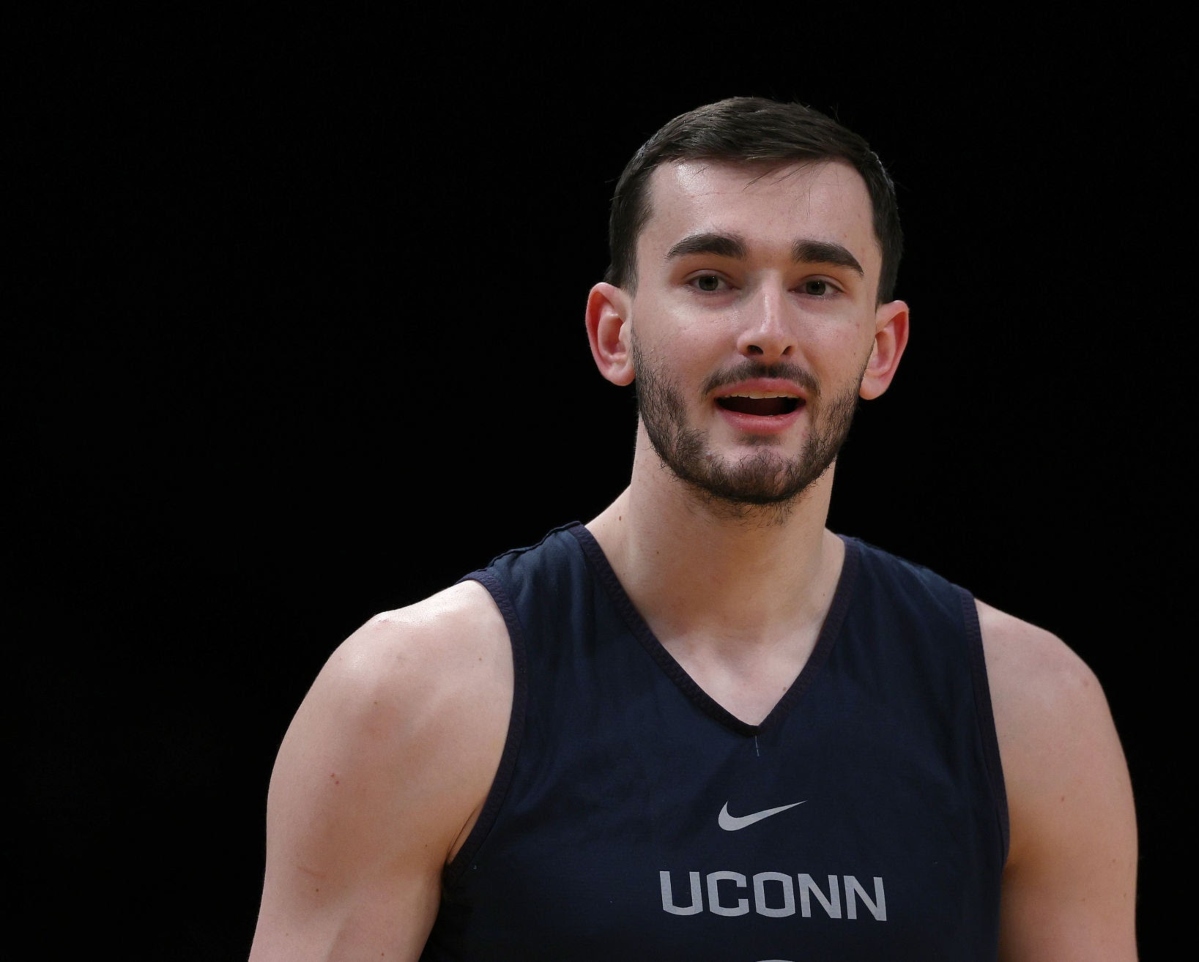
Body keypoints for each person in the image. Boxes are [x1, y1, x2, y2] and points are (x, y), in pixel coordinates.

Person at [248, 95, 1138, 961]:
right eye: (711, 280)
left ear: (882, 348)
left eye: (818, 286)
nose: (768, 332)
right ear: (614, 333)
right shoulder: (411, 692)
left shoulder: (1032, 707)